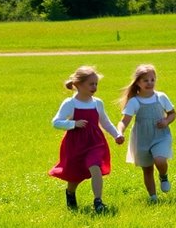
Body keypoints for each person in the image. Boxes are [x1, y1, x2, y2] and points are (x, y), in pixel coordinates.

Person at [50, 66, 124, 213]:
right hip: (75, 144)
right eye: (91, 84)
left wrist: (117, 135)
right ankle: (70, 193)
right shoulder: (70, 103)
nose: (95, 87)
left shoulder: (97, 103)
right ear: (78, 84)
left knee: (95, 167)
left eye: (96, 84)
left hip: (95, 143)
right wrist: (73, 124)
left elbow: (105, 122)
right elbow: (56, 122)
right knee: (75, 175)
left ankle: (98, 201)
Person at [117, 64, 176, 203]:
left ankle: (163, 176)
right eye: (145, 80)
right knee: (147, 170)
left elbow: (173, 113)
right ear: (138, 82)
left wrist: (166, 121)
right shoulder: (134, 101)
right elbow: (124, 121)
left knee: (160, 159)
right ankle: (153, 197)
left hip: (161, 135)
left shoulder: (161, 97)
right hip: (142, 138)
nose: (150, 83)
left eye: (152, 79)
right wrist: (119, 132)